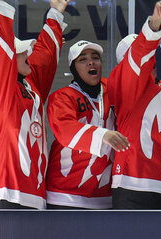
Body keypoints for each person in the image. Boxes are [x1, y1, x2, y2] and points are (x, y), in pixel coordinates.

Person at [0, 0, 70, 209]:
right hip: (6, 190)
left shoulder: (29, 87)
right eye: (19, 53)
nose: (27, 54)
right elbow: (1, 54)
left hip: (33, 191)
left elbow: (45, 57)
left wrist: (55, 15)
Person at [108, 0, 161, 210]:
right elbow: (139, 56)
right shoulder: (122, 81)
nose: (150, 56)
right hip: (134, 182)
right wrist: (155, 23)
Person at [45, 40, 130, 209]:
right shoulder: (62, 97)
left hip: (104, 197)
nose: (91, 62)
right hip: (64, 195)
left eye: (95, 57)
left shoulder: (112, 89)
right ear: (73, 68)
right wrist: (103, 135)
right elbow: (65, 129)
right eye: (82, 59)